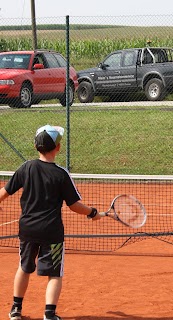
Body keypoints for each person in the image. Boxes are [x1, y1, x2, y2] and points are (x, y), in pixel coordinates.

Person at [0, 125, 101, 320]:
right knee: (54, 274)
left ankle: (15, 310)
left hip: (27, 230)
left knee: (24, 267)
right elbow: (74, 205)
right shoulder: (61, 174)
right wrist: (92, 212)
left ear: (35, 146)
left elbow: (4, 193)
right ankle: (49, 314)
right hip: (51, 232)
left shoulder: (26, 167)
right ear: (58, 147)